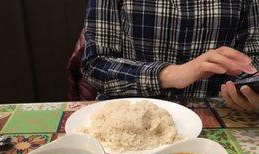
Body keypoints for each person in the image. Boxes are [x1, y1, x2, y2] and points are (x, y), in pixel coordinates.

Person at [82, 0, 259, 111]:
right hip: (126, 114)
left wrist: (251, 89)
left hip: (218, 113)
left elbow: (252, 61)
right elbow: (95, 64)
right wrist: (168, 74)